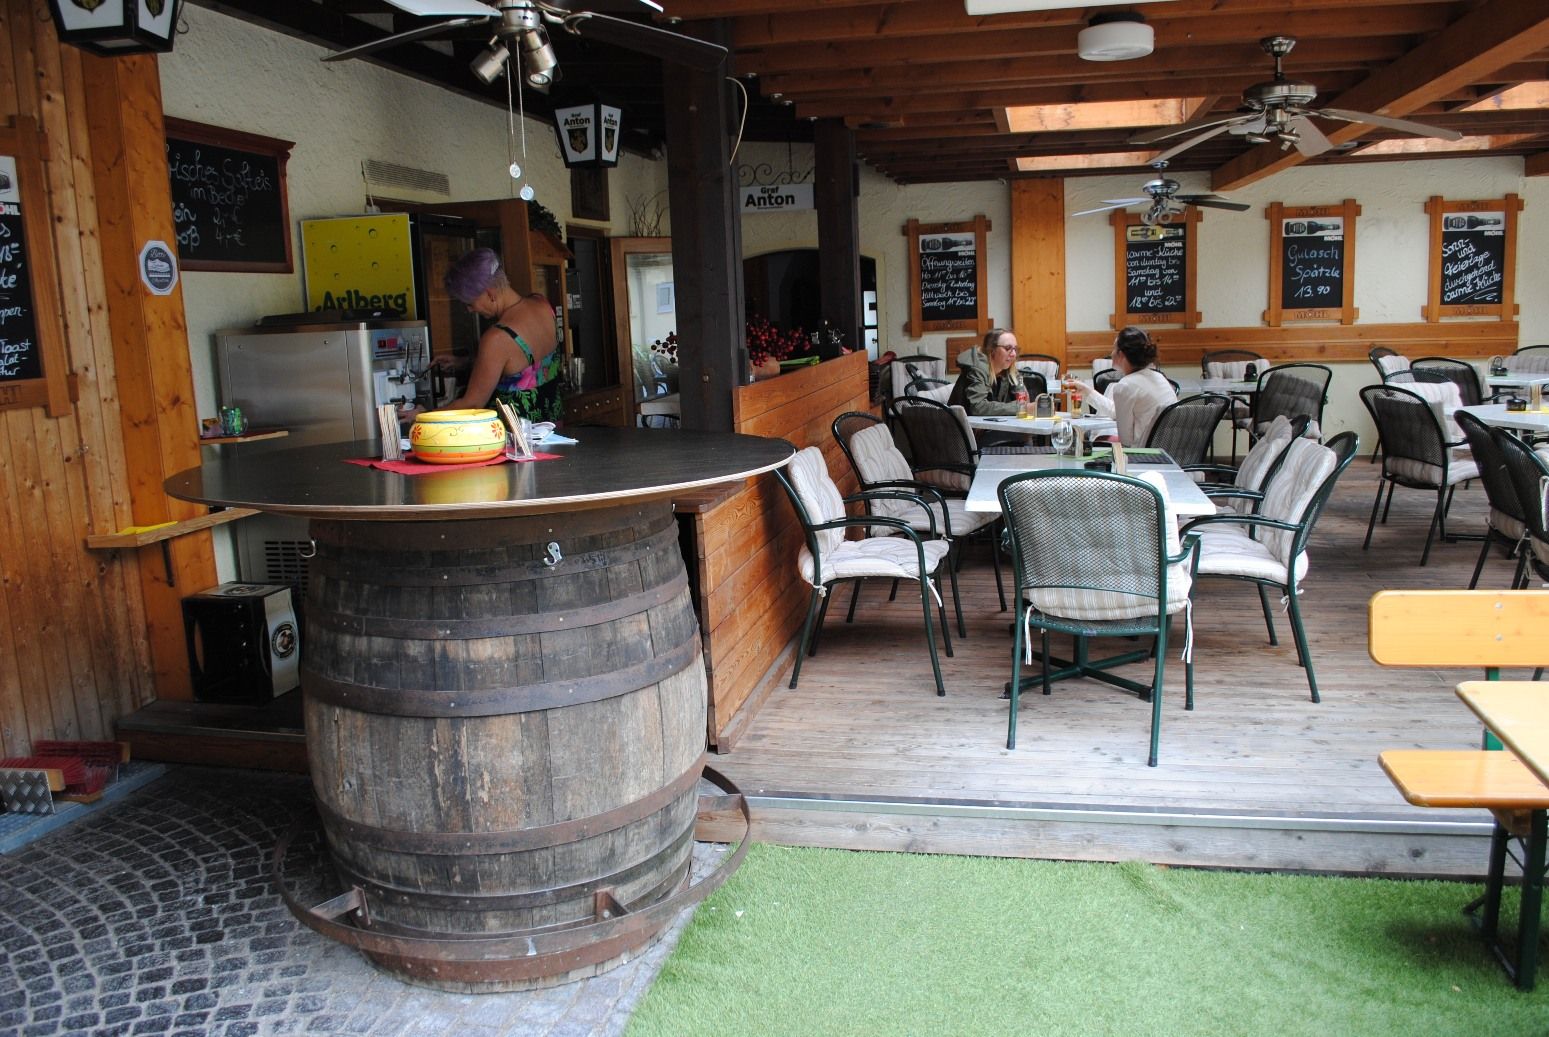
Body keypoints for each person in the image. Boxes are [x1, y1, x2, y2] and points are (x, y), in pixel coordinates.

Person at [434, 247, 564, 422]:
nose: (470, 310)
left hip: (517, 436)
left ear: (490, 293)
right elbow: (522, 364)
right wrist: (464, 362)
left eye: (470, 303)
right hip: (553, 426)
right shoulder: (542, 303)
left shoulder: (497, 338)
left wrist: (422, 415)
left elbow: (472, 404)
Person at [1065, 326, 1177, 445]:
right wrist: (1086, 391)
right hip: (1165, 448)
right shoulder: (1158, 377)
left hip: (1141, 452)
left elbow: (1126, 441)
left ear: (1121, 354)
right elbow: (1115, 412)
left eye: (1114, 348)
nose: (1111, 353)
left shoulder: (1126, 385)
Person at [948, 328, 1024, 416]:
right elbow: (978, 407)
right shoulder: (977, 370)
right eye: (1008, 348)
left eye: (1015, 349)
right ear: (992, 350)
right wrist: (1019, 407)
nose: (1014, 354)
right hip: (960, 423)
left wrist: (1023, 405)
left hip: (988, 423)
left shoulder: (1009, 369)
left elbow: (1024, 401)